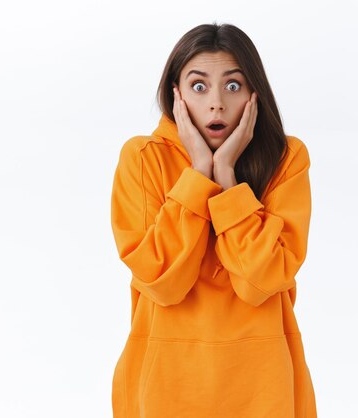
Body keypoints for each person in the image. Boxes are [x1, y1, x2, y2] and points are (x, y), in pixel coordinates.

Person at [109, 22, 317, 417]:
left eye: (234, 85)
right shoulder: (143, 157)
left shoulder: (287, 159)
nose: (217, 103)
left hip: (264, 383)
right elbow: (162, 282)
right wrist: (198, 175)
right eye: (199, 86)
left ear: (255, 93)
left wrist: (227, 177)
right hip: (165, 381)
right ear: (176, 95)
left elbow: (262, 280)